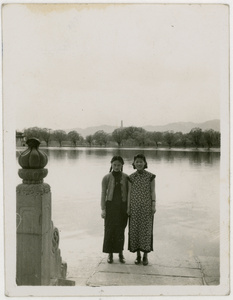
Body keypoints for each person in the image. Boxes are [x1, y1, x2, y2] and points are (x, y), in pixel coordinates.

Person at [127, 154, 156, 266]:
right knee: (135, 231)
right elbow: (129, 193)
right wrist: (128, 207)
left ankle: (145, 256)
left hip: (146, 208)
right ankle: (137, 255)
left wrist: (153, 204)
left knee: (146, 231)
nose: (139, 164)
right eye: (137, 162)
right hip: (134, 208)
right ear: (134, 164)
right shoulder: (131, 177)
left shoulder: (151, 176)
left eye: (141, 162)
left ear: (145, 163)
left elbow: (153, 191)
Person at [101, 156, 128, 264]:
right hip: (110, 206)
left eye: (119, 165)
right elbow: (103, 194)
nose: (116, 167)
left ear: (122, 166)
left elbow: (129, 193)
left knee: (120, 230)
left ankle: (121, 253)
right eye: (114, 165)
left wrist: (128, 208)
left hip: (122, 207)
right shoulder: (106, 177)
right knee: (109, 230)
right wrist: (103, 209)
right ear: (111, 165)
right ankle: (110, 254)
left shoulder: (126, 177)